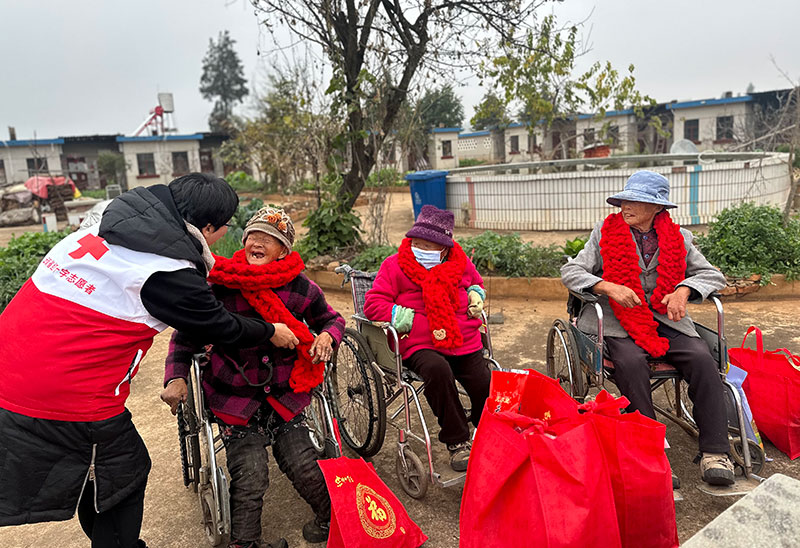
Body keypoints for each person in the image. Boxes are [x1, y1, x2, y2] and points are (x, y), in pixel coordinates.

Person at [0, 174, 299, 547]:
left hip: (12, 361)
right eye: (225, 229)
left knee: (97, 472)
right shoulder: (168, 271)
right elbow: (215, 326)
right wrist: (270, 331)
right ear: (207, 228)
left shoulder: (104, 226)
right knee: (125, 471)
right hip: (61, 388)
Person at [161, 206, 345, 548]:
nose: (256, 242)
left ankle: (330, 521)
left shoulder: (299, 287)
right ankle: (244, 544)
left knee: (305, 465)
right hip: (235, 398)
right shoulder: (220, 284)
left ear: (283, 251)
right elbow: (185, 337)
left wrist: (326, 336)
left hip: (284, 396)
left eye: (268, 238)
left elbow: (331, 319)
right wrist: (176, 378)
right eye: (252, 236)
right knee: (251, 475)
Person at [561, 170, 734, 486]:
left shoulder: (680, 238)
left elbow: (712, 275)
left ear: (657, 208)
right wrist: (606, 286)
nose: (625, 205)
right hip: (615, 319)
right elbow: (571, 272)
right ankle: (651, 452)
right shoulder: (604, 232)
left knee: (701, 357)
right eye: (624, 199)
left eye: (635, 201)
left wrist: (683, 290)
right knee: (630, 364)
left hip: (665, 317)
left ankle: (715, 451)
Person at [363, 205, 490, 472]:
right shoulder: (394, 265)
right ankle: (457, 441)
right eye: (417, 243)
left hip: (462, 338)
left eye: (429, 246)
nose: (421, 249)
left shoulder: (460, 263)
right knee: (437, 370)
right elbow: (373, 303)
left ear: (445, 249)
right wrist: (396, 312)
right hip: (419, 341)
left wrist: (477, 294)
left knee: (484, 381)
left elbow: (476, 283)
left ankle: (486, 429)